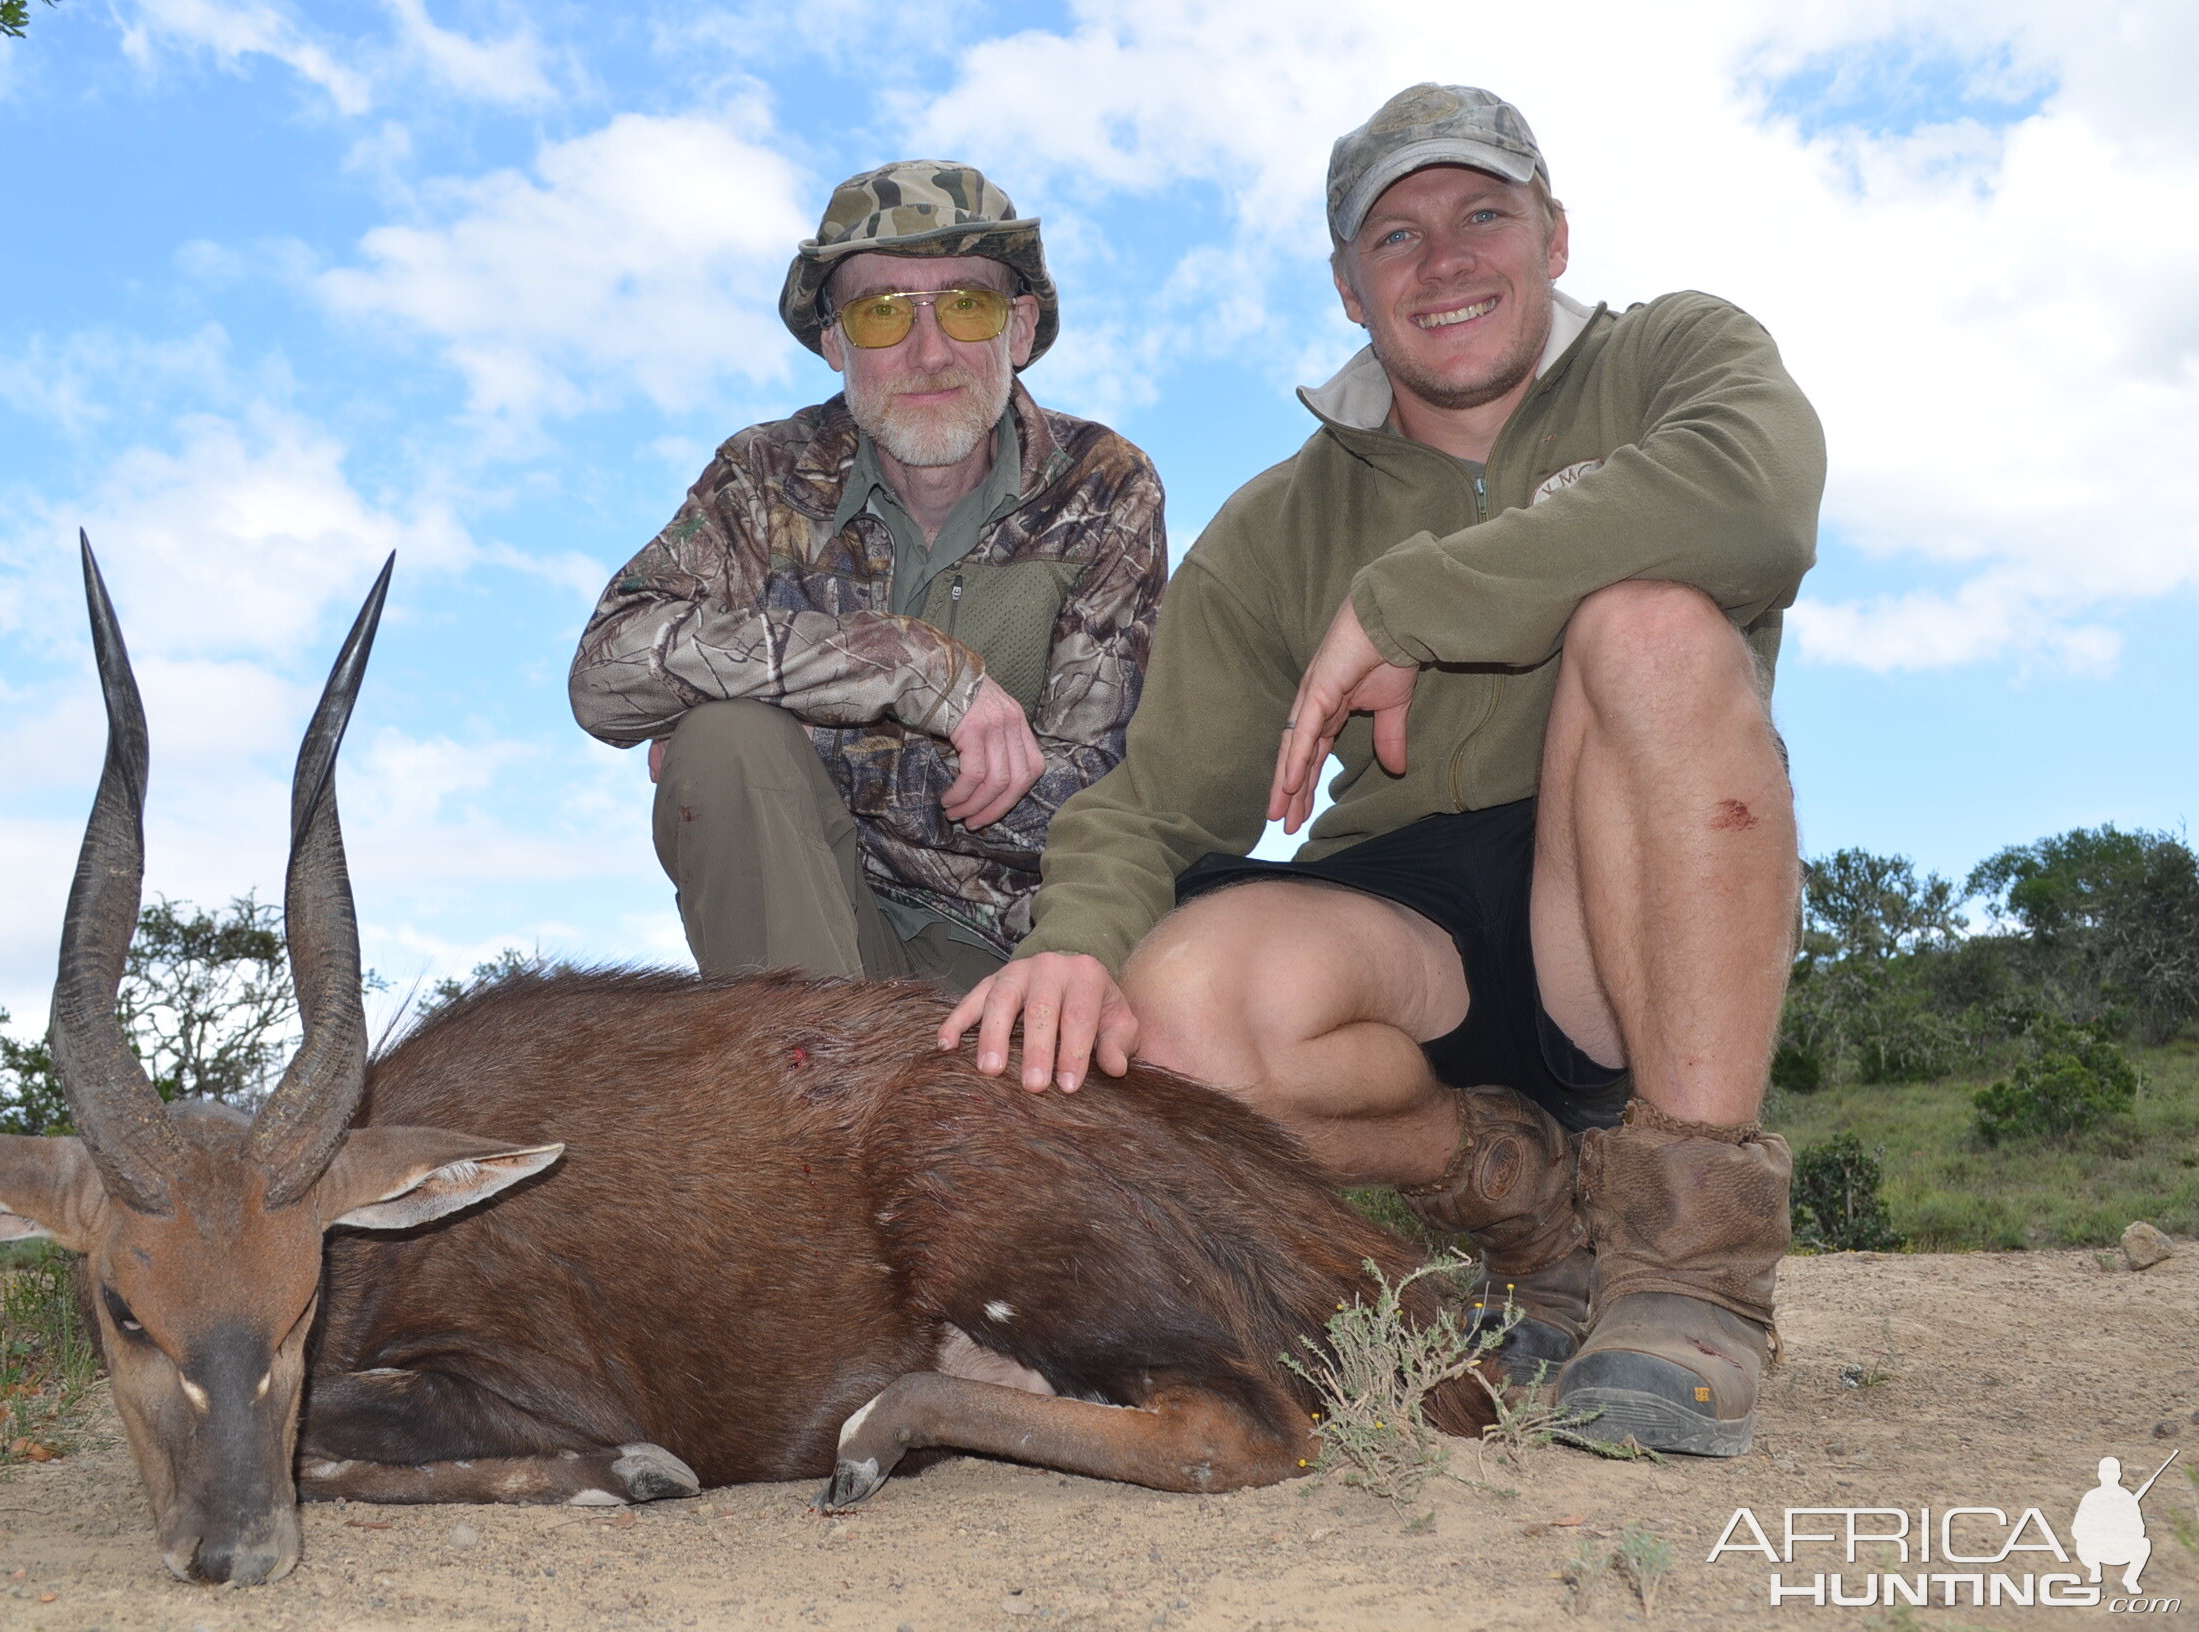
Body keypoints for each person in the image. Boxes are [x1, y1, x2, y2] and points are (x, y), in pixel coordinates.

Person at [938, 84, 1824, 1457]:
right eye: (1395, 238)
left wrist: (1411, 603)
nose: (1447, 258)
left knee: (1648, 628)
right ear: (1351, 289)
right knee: (1179, 1009)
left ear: (1557, 237)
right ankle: (1529, 1207)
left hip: (1626, 885)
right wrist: (1072, 947)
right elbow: (1164, 803)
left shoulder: (1676, 355)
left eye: (1485, 213)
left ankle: (1691, 1275)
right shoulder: (1279, 522)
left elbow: (1757, 501)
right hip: (1416, 920)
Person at [571, 162, 1167, 997]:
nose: (929, 352)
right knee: (725, 747)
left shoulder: (1103, 485)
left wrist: (794, 731)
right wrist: (901, 665)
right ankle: (805, 1091)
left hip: (1010, 949)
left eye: (967, 305)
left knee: (724, 729)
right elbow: (604, 676)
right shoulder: (763, 473)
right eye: (881, 313)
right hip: (804, 911)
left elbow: (1084, 803)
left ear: (1020, 329)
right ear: (834, 342)